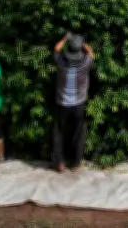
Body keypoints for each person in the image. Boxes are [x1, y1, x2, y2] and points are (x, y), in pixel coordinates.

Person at [51, 32, 95, 173]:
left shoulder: (61, 62)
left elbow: (56, 49)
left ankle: (60, 163)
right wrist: (81, 43)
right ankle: (76, 163)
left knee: (58, 132)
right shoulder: (85, 64)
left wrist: (65, 39)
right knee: (78, 133)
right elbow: (91, 53)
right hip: (78, 104)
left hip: (62, 104)